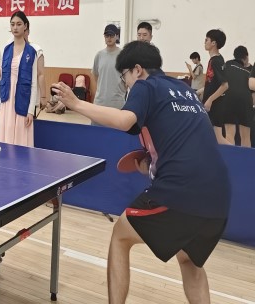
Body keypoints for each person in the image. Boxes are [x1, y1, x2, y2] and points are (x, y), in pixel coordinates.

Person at [52, 41, 230, 304]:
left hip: (180, 191)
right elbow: (182, 139)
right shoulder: (184, 89)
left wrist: (76, 103)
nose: (125, 84)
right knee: (190, 261)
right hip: (219, 196)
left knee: (120, 236)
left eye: (124, 77)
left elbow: (124, 121)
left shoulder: (146, 85)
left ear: (137, 70)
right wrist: (150, 164)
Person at [0, 12, 38, 146]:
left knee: (21, 141)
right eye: (13, 24)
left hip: (22, 101)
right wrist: (0, 105)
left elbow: (34, 84)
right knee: (6, 139)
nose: (15, 27)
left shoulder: (31, 52)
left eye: (19, 24)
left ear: (25, 26)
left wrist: (31, 111)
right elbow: (3, 79)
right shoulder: (6, 50)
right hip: (6, 101)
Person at [92, 24, 127, 119]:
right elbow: (96, 75)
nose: (109, 38)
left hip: (117, 103)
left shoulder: (123, 55)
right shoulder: (99, 55)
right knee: (97, 127)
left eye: (112, 35)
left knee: (116, 128)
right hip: (100, 102)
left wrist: (121, 90)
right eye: (107, 35)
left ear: (117, 36)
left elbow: (128, 78)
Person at [202, 29, 230, 144]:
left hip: (216, 105)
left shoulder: (216, 61)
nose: (204, 42)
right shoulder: (215, 59)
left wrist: (210, 100)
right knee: (212, 137)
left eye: (206, 40)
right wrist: (199, 91)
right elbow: (213, 83)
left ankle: (241, 154)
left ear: (213, 43)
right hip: (212, 104)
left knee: (218, 138)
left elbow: (225, 85)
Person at [224, 46, 251, 147]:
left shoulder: (227, 64)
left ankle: (230, 157)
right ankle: (246, 157)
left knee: (229, 133)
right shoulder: (249, 71)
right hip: (245, 100)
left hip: (229, 97)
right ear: (246, 57)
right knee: (245, 136)